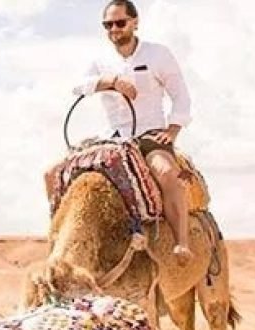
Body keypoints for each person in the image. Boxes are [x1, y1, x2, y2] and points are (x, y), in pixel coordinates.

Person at [72, 0, 193, 264]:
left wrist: (173, 130)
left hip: (149, 134)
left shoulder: (158, 54)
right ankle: (63, 247)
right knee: (57, 174)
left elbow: (181, 96)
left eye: (120, 22)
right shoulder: (100, 60)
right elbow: (78, 86)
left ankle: (182, 243)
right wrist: (112, 82)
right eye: (108, 24)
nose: (114, 29)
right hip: (111, 137)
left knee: (166, 172)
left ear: (135, 22)